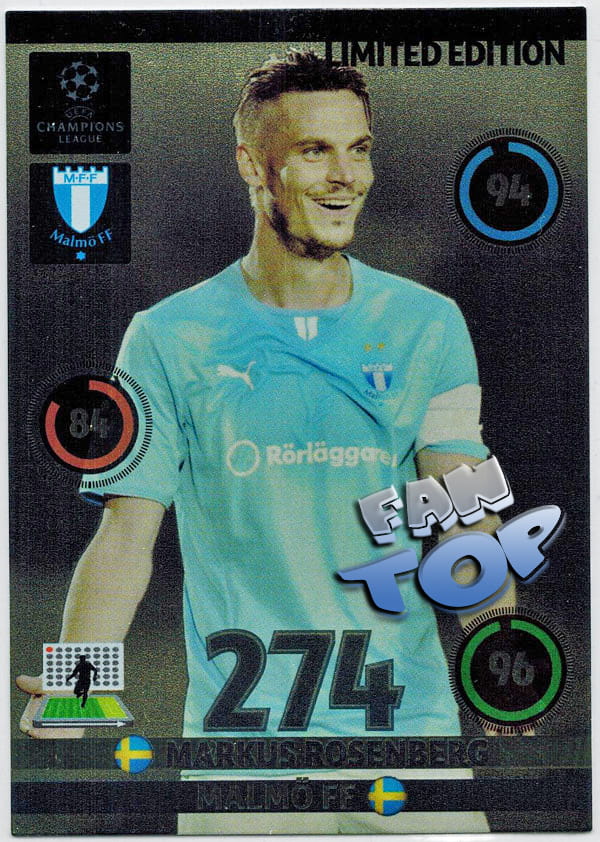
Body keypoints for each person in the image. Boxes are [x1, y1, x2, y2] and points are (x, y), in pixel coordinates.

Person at [19, 50, 513, 833]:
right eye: (315, 150)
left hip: (408, 741)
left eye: (358, 149)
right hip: (241, 758)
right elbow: (124, 537)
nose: (345, 176)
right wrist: (78, 688)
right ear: (254, 165)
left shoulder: (428, 324)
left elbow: (463, 522)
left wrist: (504, 669)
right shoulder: (168, 338)